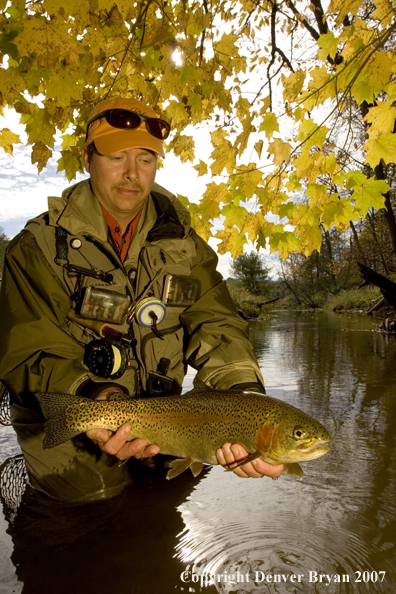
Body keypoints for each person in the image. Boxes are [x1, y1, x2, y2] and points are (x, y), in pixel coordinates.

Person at [0, 97, 285, 503]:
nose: (132, 175)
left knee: (166, 501)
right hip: (71, 409)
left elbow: (217, 323)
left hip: (166, 420)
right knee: (82, 509)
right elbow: (27, 351)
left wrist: (243, 399)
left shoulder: (185, 245)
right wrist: (93, 398)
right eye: (117, 157)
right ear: (87, 158)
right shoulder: (37, 248)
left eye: (146, 160)